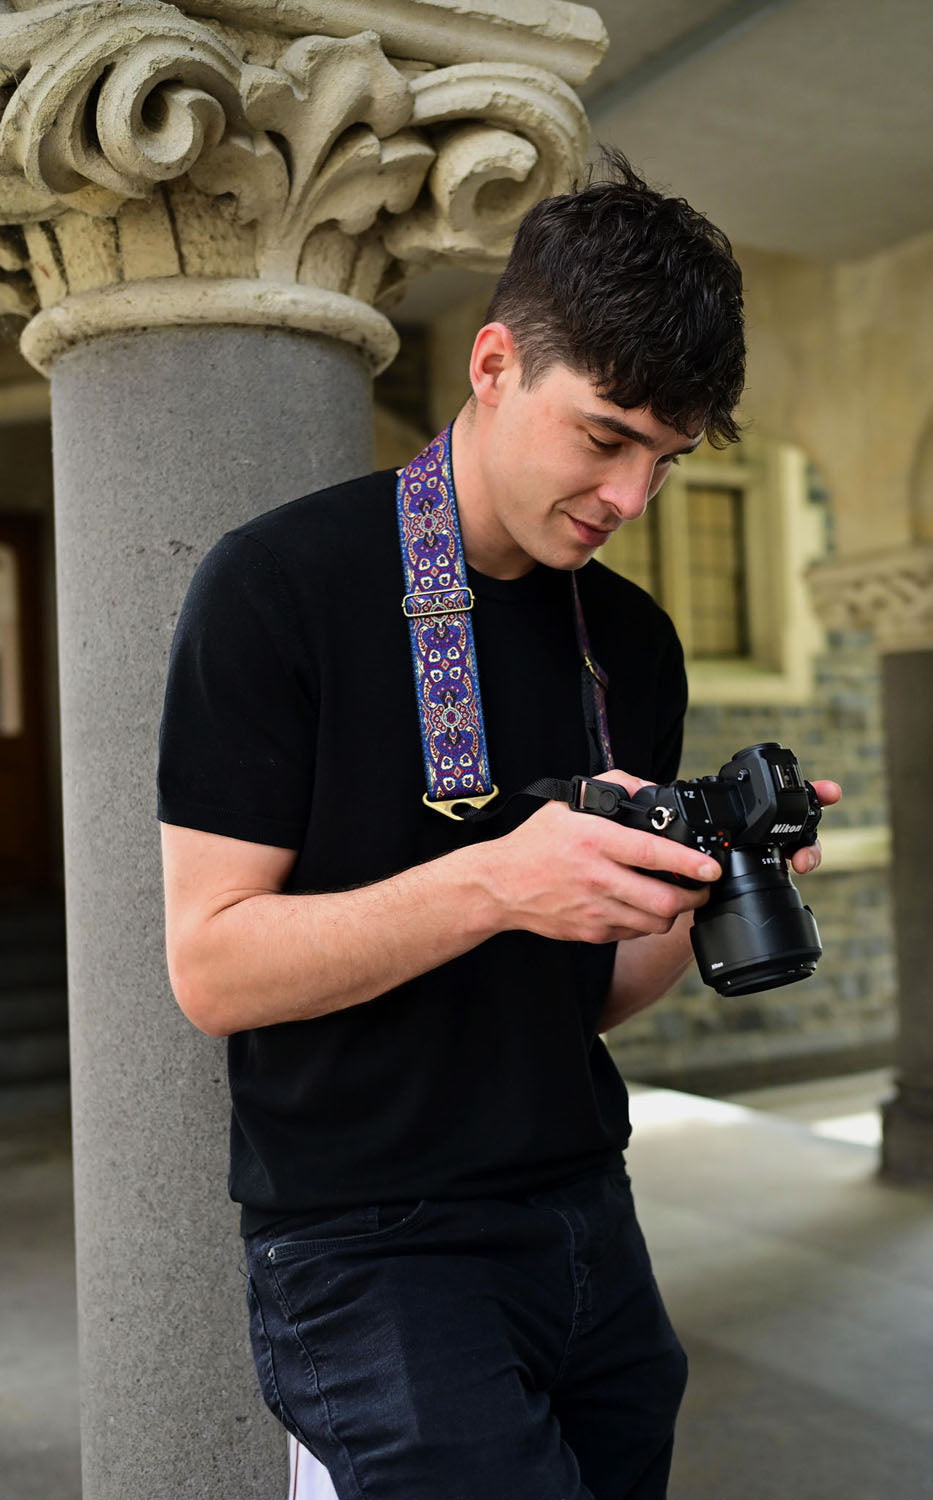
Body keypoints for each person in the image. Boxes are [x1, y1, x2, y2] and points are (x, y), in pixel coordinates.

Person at [158, 152, 839, 1500]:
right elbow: (212, 968)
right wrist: (493, 885)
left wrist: (699, 892)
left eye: (670, 455)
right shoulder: (276, 586)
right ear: (491, 367)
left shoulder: (630, 643)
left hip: (589, 1215)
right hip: (372, 1250)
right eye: (605, 435)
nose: (633, 497)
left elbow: (581, 999)